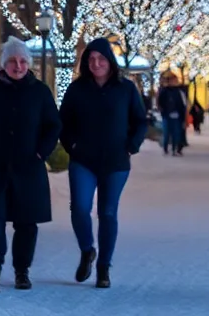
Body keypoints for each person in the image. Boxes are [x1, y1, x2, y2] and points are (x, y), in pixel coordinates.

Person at [0, 37, 61, 293]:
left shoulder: (40, 92)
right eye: (12, 61)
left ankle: (22, 270)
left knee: (26, 223)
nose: (17, 66)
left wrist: (41, 153)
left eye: (22, 61)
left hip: (29, 168)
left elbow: (54, 126)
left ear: (28, 64)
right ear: (4, 64)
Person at [58, 38, 147, 290]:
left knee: (107, 213)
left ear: (110, 61)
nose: (96, 63)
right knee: (79, 208)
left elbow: (140, 121)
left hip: (116, 162)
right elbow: (62, 122)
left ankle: (104, 267)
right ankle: (88, 250)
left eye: (101, 59)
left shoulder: (126, 89)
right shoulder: (77, 90)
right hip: (83, 160)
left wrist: (132, 145)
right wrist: (71, 146)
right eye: (91, 59)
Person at [157, 75, 188, 156]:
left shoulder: (180, 92)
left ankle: (174, 149)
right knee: (166, 133)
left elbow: (183, 105)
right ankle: (165, 147)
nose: (174, 82)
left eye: (175, 80)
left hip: (177, 116)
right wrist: (163, 112)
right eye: (172, 80)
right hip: (167, 115)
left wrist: (183, 117)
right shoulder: (164, 91)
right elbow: (160, 102)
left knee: (176, 134)